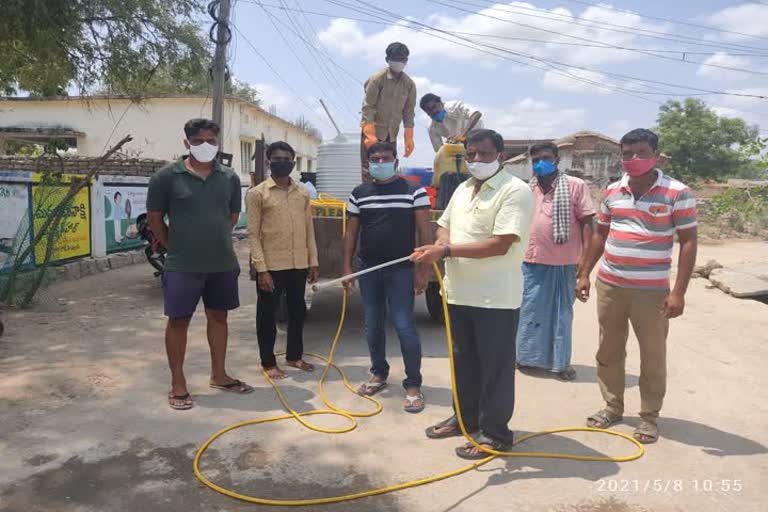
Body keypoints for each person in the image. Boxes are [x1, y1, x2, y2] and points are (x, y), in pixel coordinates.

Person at [414, 129, 534, 459]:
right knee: (463, 363)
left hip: (495, 298)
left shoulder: (515, 191)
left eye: (484, 154)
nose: (477, 160)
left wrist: (446, 251)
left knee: (494, 368)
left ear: (502, 156)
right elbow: (445, 225)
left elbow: (501, 243)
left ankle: (495, 433)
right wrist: (440, 243)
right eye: (471, 154)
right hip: (458, 294)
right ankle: (465, 420)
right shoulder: (464, 188)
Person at [577, 128, 697, 444]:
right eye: (627, 153)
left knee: (652, 355)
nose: (633, 159)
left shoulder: (677, 192)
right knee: (609, 349)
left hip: (652, 291)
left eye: (640, 153)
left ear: (655, 155)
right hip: (611, 285)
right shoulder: (613, 190)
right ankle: (612, 407)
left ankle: (648, 417)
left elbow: (687, 241)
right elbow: (600, 233)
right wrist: (585, 272)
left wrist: (678, 293)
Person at [146, 118, 253, 411]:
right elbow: (155, 218)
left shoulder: (229, 177)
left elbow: (230, 217)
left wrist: (211, 238)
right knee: (179, 320)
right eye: (198, 141)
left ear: (218, 144)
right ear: (186, 143)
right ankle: (177, 383)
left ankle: (218, 375)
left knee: (219, 318)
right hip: (182, 264)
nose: (205, 146)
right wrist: (173, 246)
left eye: (211, 141)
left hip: (222, 262)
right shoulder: (166, 177)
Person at [343, 141, 432, 413]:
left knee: (404, 325)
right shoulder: (359, 193)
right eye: (375, 158)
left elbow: (425, 233)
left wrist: (422, 270)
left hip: (401, 269)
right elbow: (351, 233)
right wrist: (347, 267)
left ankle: (413, 384)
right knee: (372, 324)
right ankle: (379, 373)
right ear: (367, 163)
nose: (380, 162)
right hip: (369, 268)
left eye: (385, 158)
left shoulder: (413, 191)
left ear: (395, 161)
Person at [516, 142, 595, 381]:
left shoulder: (575, 186)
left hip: (564, 263)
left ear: (558, 160)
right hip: (530, 261)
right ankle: (527, 358)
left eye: (546, 158)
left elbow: (588, 225)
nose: (541, 163)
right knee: (529, 312)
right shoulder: (526, 189)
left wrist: (585, 265)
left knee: (560, 316)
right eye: (536, 159)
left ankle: (560, 364)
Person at [247, 141, 320, 379]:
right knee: (267, 316)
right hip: (271, 266)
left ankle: (294, 356)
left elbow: (308, 228)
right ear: (269, 162)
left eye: (287, 158)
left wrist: (313, 261)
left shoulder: (302, 193)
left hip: (298, 264)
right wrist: (262, 270)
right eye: (277, 159)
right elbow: (253, 234)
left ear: (293, 162)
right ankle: (268, 363)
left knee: (297, 312)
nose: (282, 162)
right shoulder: (257, 194)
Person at [360, 42, 416, 171]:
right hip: (373, 133)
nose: (399, 62)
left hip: (391, 136)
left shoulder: (409, 84)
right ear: (387, 59)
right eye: (395, 58)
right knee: (369, 169)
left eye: (402, 59)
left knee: (388, 170)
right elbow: (368, 107)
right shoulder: (377, 79)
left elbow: (409, 112)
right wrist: (369, 134)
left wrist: (409, 137)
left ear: (406, 60)